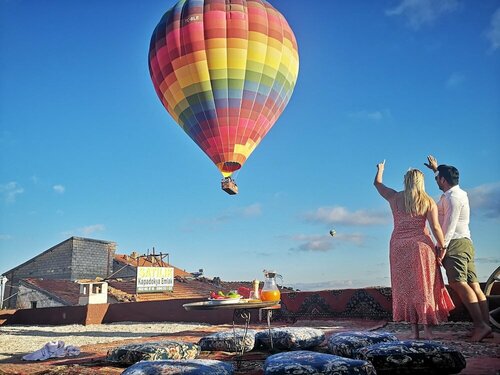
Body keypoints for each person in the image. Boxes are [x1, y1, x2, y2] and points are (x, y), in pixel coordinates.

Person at [374, 160, 455, 339]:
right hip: (421, 246)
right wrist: (442, 246)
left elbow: (377, 185)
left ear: (406, 181)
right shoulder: (427, 201)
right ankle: (427, 330)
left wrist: (380, 170)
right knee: (423, 286)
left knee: (407, 288)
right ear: (421, 182)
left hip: (398, 246)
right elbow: (435, 227)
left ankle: (414, 332)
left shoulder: (394, 197)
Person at [424, 155, 492, 341]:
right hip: (465, 242)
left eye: (438, 178)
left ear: (443, 180)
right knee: (473, 285)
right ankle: (485, 326)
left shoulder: (453, 197)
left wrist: (442, 247)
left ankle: (480, 325)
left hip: (454, 243)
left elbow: (450, 224)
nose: (436, 180)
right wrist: (436, 169)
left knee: (458, 283)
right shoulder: (456, 194)